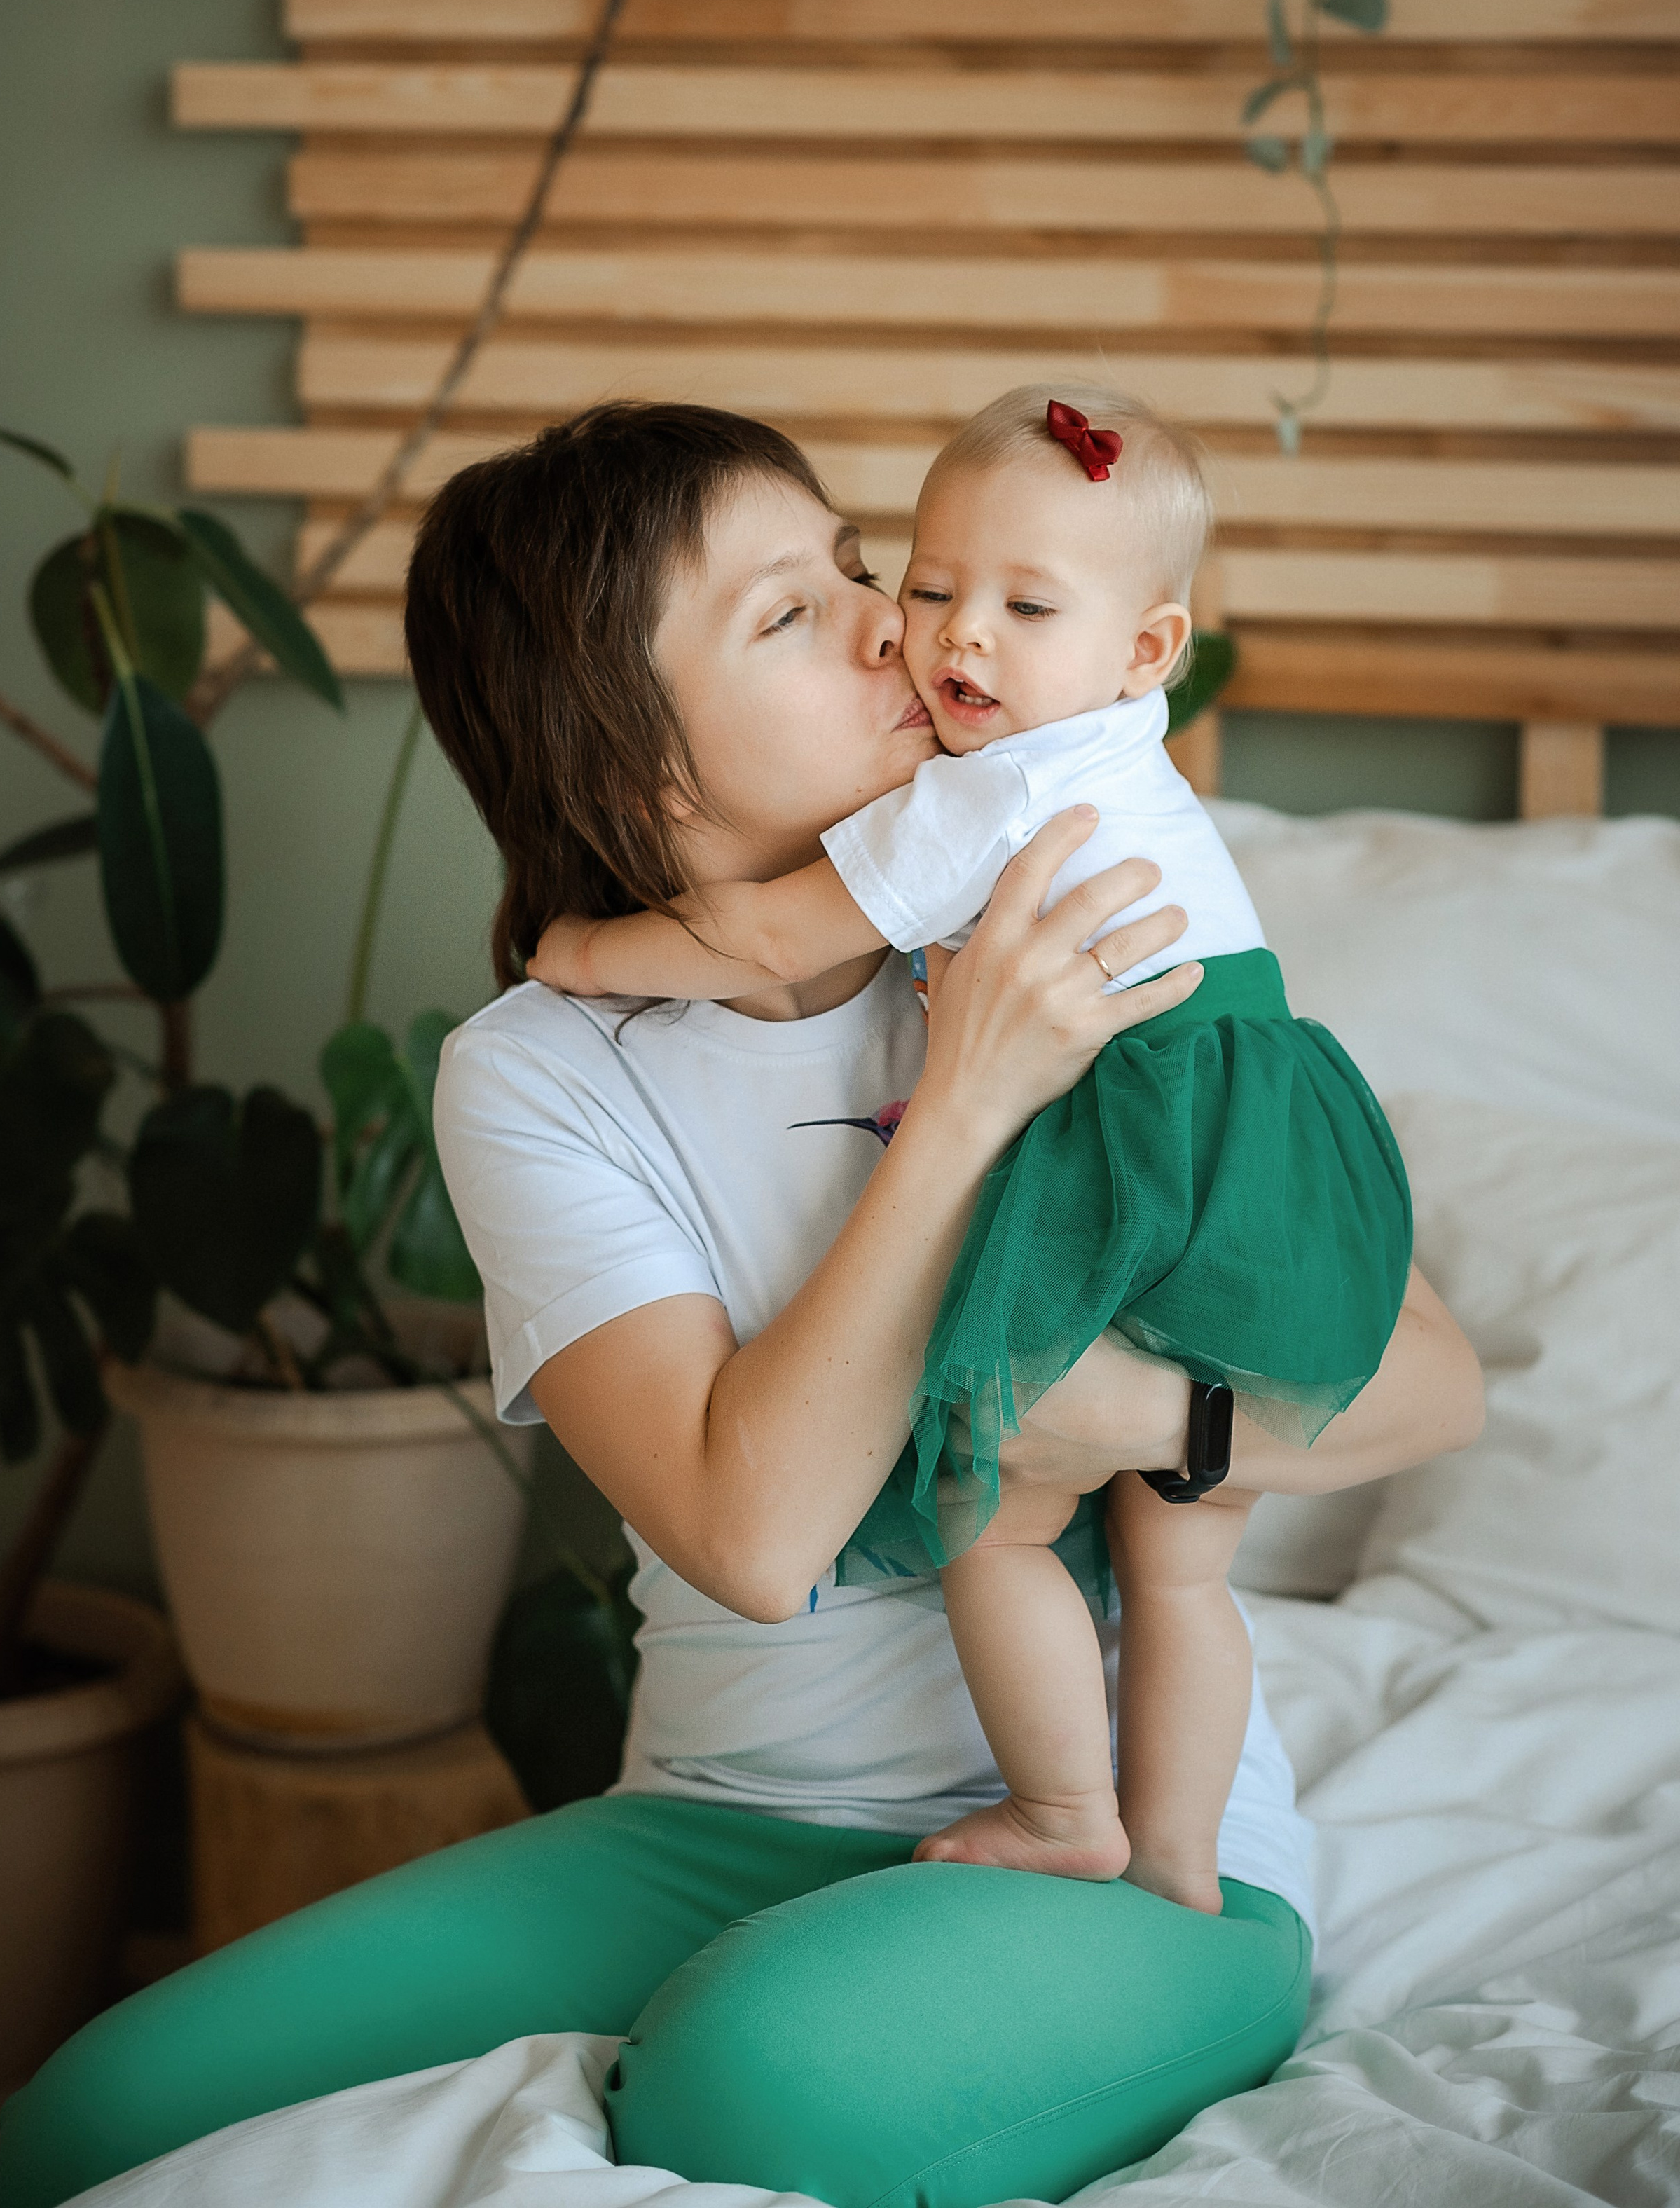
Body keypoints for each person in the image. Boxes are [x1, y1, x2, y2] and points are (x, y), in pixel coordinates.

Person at [0, 402, 1482, 2208]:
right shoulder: (539, 1074)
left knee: (754, 2095)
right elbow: (753, 1536)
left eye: (856, 568)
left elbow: (1429, 1386)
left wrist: (1152, 1422)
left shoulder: (1072, 891)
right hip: (715, 1814)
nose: (894, 624)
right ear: (640, 778)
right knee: (99, 2120)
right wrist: (967, 1108)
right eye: (790, 614)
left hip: (1146, 1850)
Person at [530, 383, 1412, 1921]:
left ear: (1147, 648)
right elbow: (747, 1540)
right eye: (924, 585)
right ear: (632, 753)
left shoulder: (979, 802)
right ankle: (1182, 1862)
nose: (931, 638)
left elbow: (751, 934)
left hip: (1132, 1139)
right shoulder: (1118, 750)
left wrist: (590, 955)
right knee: (1186, 1576)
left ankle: (1069, 1807)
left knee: (989, 1504)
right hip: (1253, 1142)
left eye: (1012, 603)